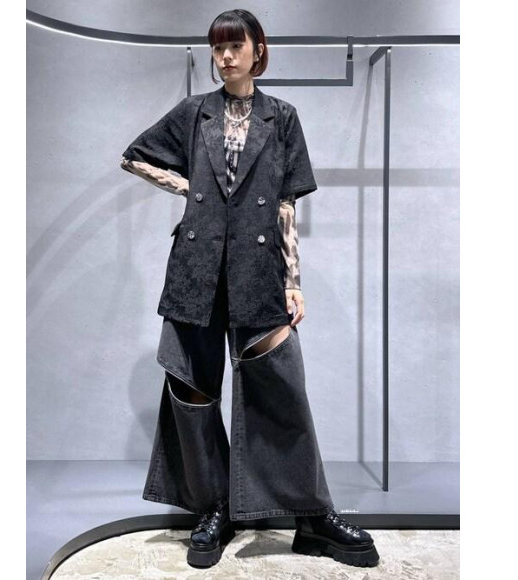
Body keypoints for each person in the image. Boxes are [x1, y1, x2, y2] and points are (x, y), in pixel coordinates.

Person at [120, 8, 379, 570]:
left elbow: (285, 205)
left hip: (259, 269)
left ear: (258, 49)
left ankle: (312, 515)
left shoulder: (281, 117)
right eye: (217, 47)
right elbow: (133, 157)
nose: (225, 56)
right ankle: (214, 508)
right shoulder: (194, 113)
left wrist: (294, 283)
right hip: (196, 268)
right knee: (192, 389)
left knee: (280, 389)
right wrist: (189, 187)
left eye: (235, 46)